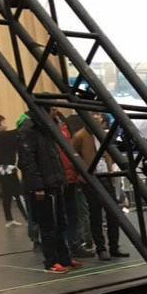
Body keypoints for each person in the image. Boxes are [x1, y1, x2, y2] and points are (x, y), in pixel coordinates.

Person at [16, 110, 81, 273]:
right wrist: (38, 186)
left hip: (54, 183)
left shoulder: (46, 128)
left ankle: (64, 258)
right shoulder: (28, 131)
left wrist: (61, 179)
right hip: (43, 186)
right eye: (51, 110)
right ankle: (51, 261)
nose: (54, 113)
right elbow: (27, 161)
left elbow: (54, 157)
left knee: (61, 223)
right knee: (48, 226)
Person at [72, 113, 129, 261]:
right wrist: (81, 175)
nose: (97, 118)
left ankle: (114, 247)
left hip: (106, 177)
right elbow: (74, 157)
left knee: (113, 213)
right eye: (93, 115)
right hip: (91, 179)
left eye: (98, 116)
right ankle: (101, 248)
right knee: (96, 214)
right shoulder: (80, 136)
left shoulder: (103, 134)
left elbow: (109, 152)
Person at [49, 108, 93, 259]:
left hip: (69, 178)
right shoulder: (51, 132)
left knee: (72, 214)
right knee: (63, 216)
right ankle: (66, 248)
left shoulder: (64, 130)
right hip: (59, 179)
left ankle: (73, 246)